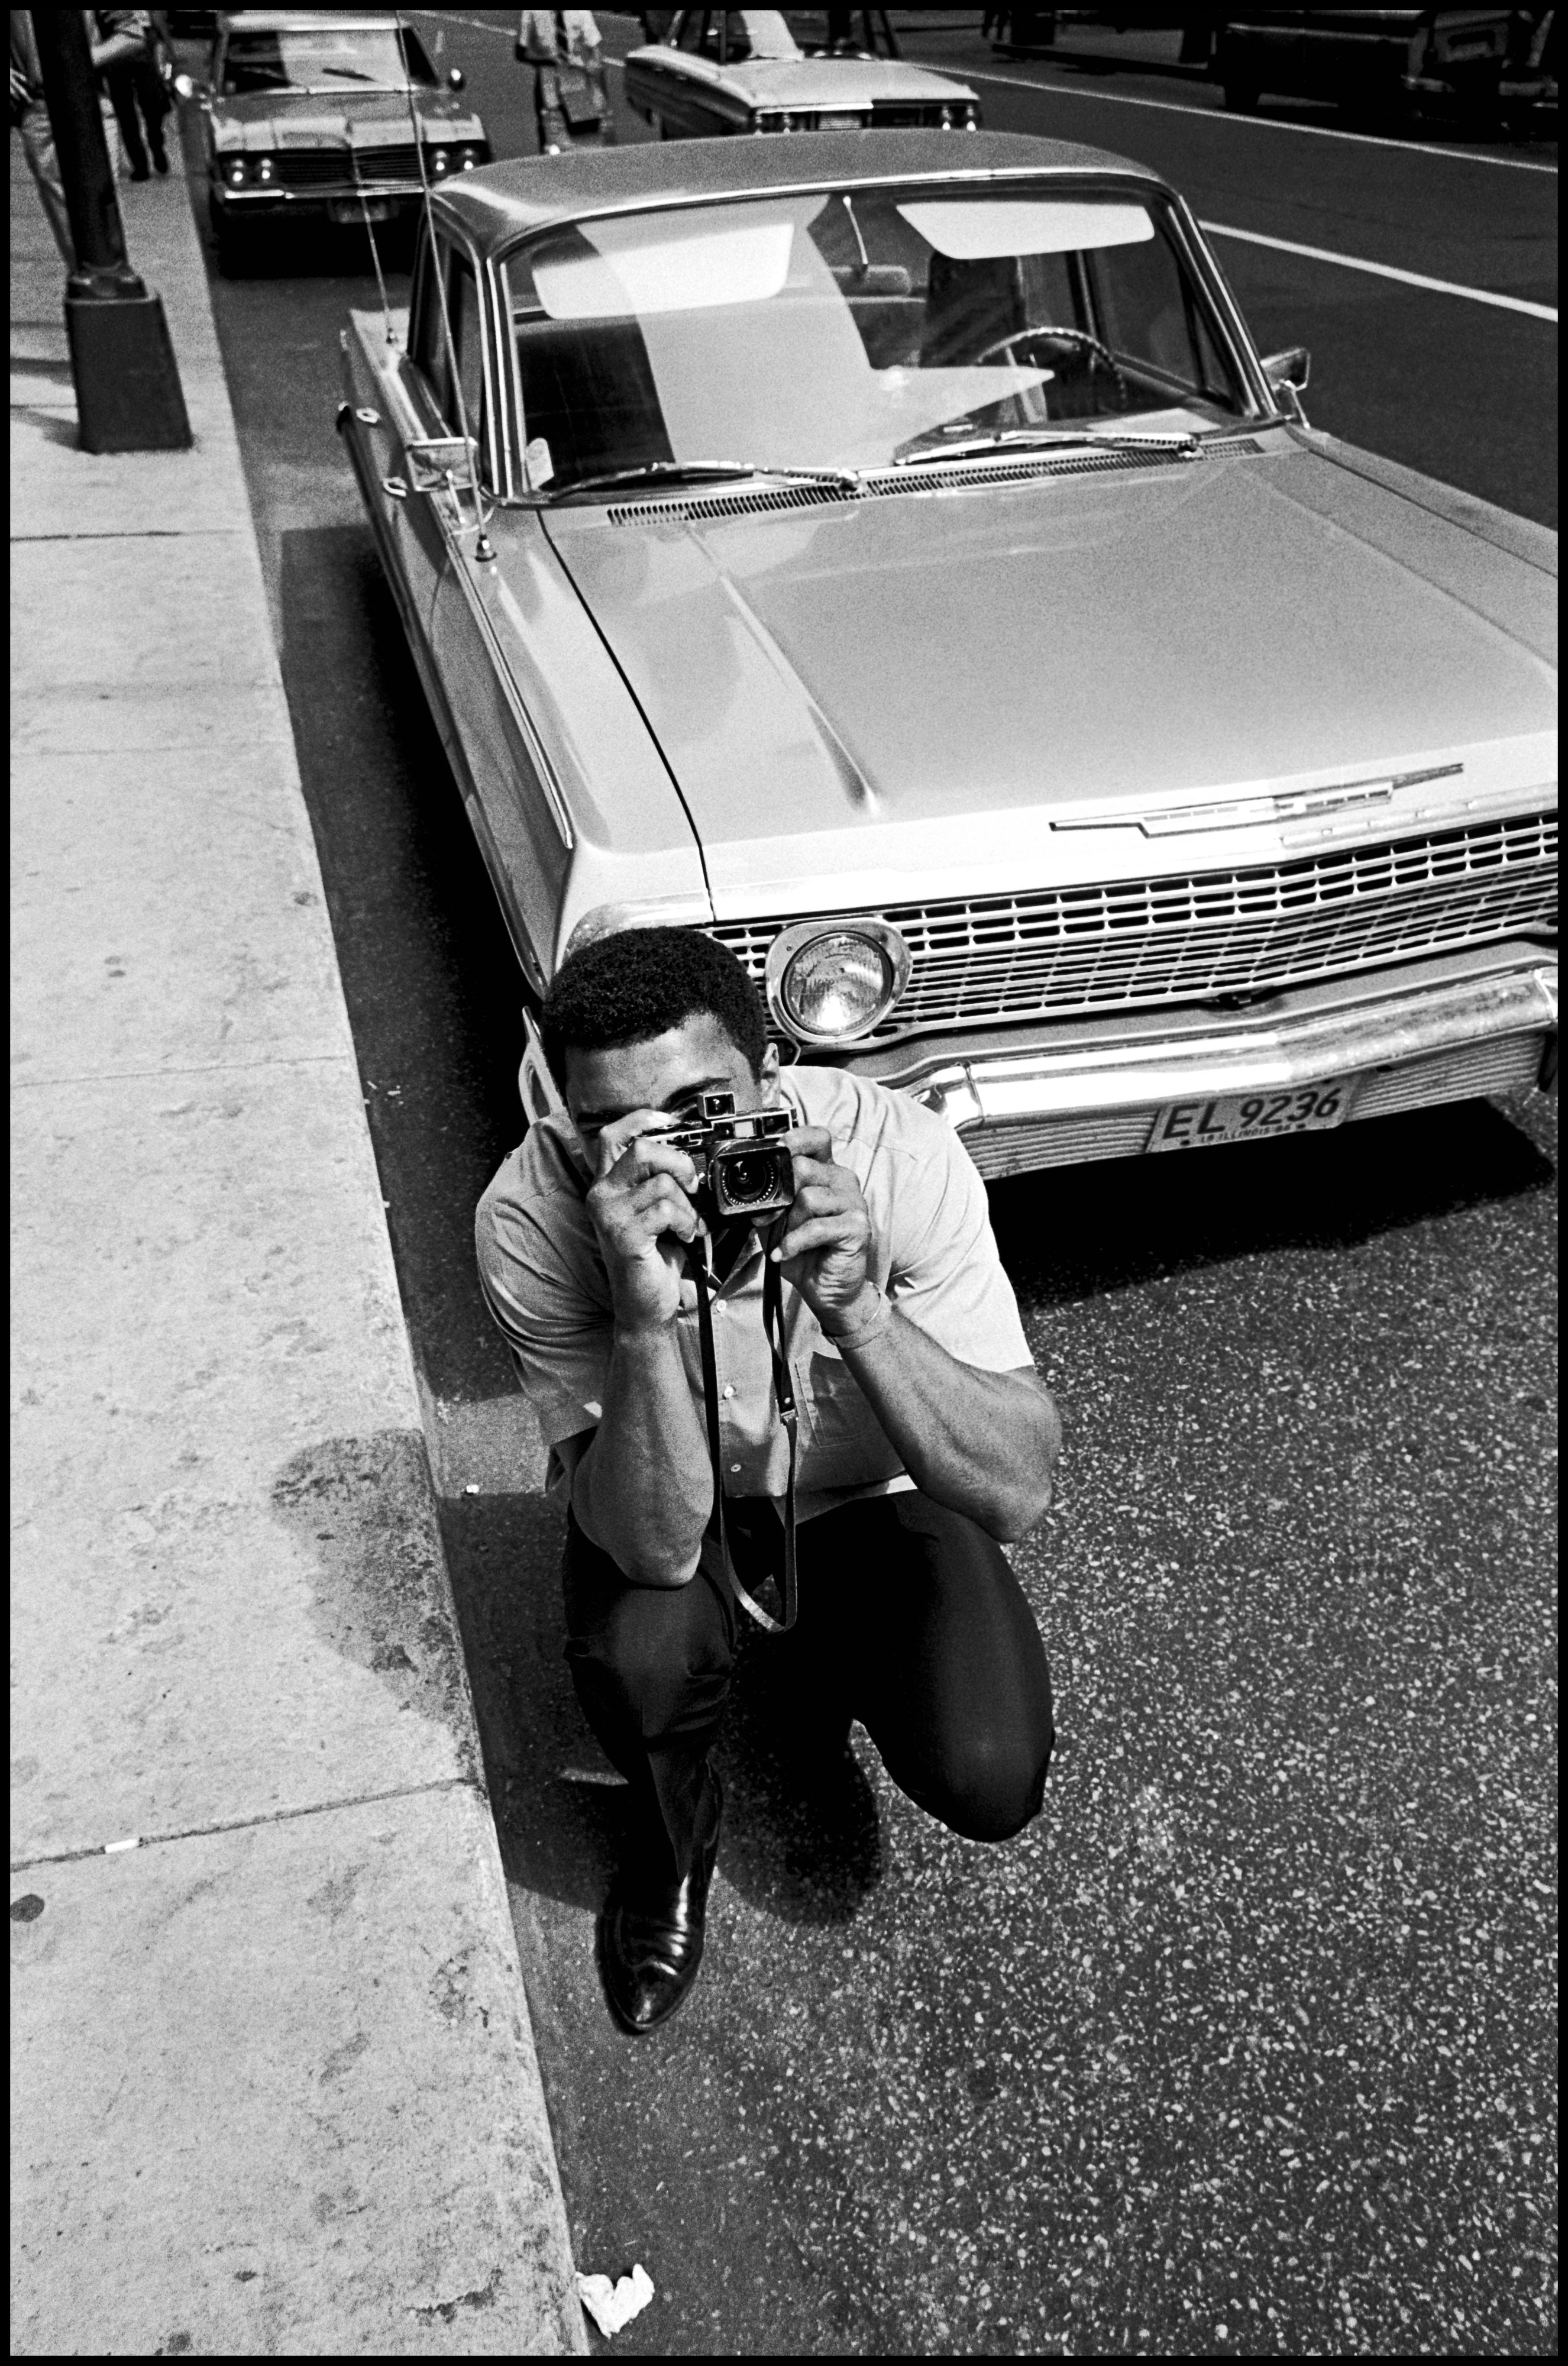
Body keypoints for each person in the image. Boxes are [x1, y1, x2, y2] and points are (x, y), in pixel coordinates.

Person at [477, 927, 1061, 2034]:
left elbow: (1018, 1489)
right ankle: (670, 1843)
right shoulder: (530, 1219)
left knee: (990, 1772)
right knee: (641, 1655)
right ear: (567, 1122)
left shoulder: (897, 1157)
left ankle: (827, 1656)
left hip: (865, 1497)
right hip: (680, 1505)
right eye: (616, 1132)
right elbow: (648, 1546)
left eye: (704, 1109)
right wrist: (642, 1319)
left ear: (771, 1076)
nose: (671, 1162)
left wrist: (861, 1310)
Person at [10, 8, 147, 264]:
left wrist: (81, 60)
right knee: (69, 226)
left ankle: (107, 287)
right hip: (41, 110)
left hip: (90, 103)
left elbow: (133, 33)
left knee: (100, 220)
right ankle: (91, 289)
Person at [515, 9, 611, 153]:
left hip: (576, 78)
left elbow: (595, 51)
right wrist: (545, 61)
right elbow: (521, 53)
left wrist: (594, 65)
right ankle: (547, 155)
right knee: (549, 125)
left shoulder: (580, 12)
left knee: (586, 133)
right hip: (548, 76)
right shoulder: (533, 12)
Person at [98, 5, 167, 179]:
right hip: (114, 52)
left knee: (152, 104)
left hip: (141, 47)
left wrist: (163, 45)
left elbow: (155, 19)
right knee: (125, 113)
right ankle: (140, 164)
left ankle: (156, 144)